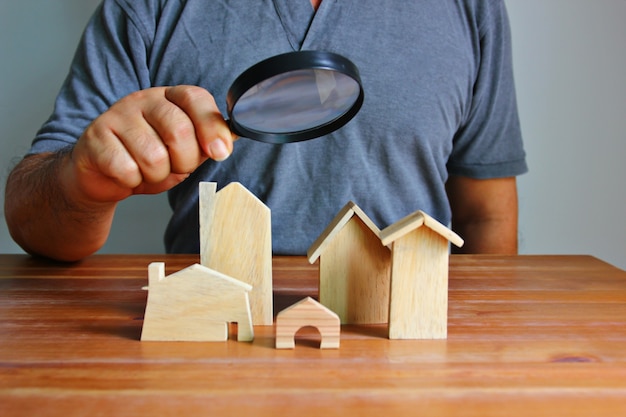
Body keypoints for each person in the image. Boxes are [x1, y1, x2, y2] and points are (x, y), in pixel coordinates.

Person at [4, 0, 527, 262]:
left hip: (403, 335)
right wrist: (84, 183)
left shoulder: (469, 5)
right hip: (216, 330)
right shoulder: (148, 6)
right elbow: (31, 217)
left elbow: (486, 213)